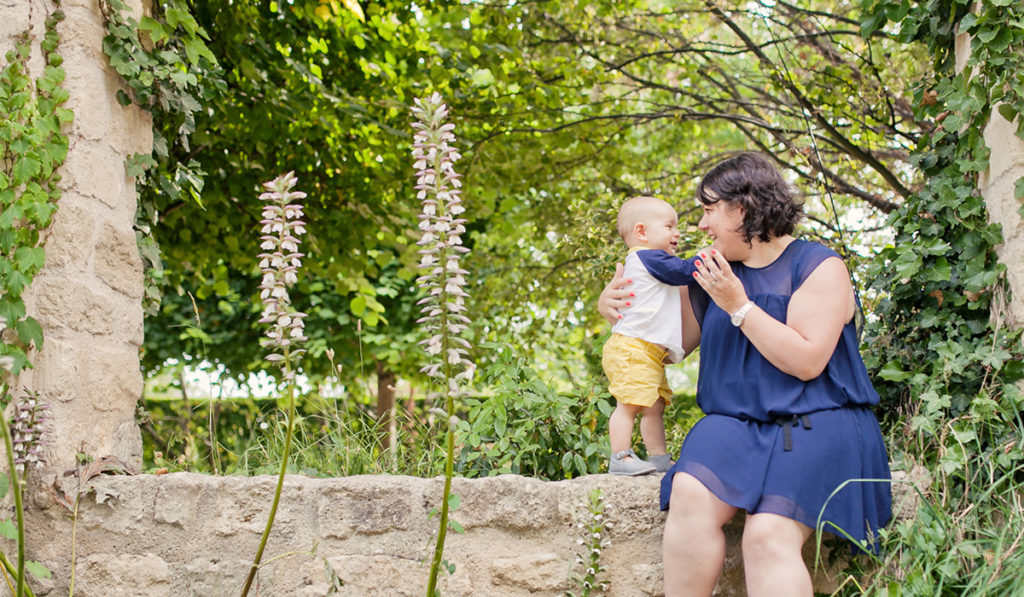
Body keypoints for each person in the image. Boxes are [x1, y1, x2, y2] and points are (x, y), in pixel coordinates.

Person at [598, 153, 891, 596]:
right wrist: (621, 310)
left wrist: (739, 305)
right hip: (735, 424)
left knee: (766, 535)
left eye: (709, 209)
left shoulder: (818, 266)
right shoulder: (714, 271)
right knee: (690, 497)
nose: (700, 225)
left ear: (744, 208)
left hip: (818, 419)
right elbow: (674, 345)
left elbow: (808, 360)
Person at [602, 196, 699, 476]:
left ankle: (658, 458)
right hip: (634, 347)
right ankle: (620, 456)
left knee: (654, 406)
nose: (677, 233)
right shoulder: (648, 257)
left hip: (647, 351)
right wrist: (713, 255)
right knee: (629, 404)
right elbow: (684, 271)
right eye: (669, 226)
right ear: (642, 232)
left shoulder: (651, 261)